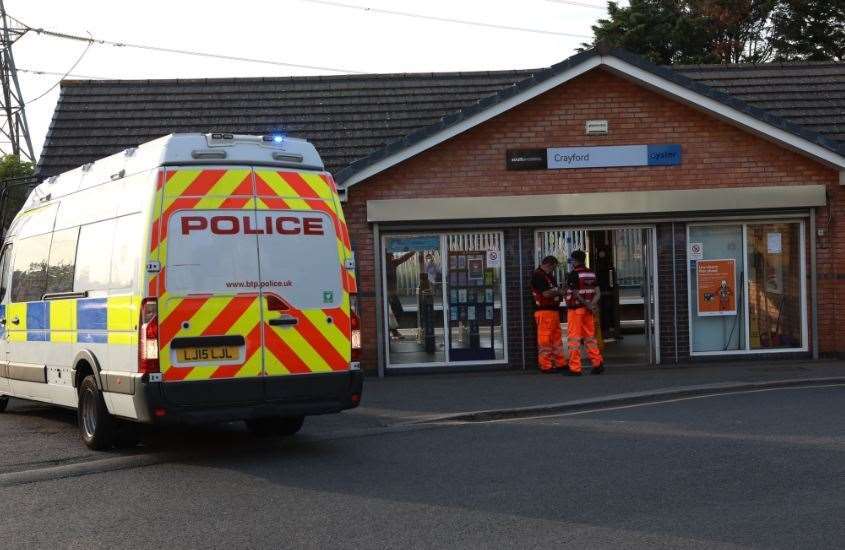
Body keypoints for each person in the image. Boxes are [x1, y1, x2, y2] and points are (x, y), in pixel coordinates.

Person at [564, 250, 604, 375]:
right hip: (588, 311)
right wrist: (591, 305)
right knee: (590, 338)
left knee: (574, 339)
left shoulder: (573, 274)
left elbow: (575, 293)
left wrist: (586, 304)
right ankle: (597, 363)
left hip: (576, 310)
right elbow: (598, 292)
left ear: (575, 260)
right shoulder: (591, 273)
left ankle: (575, 368)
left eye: (571, 260)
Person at [530, 255, 566, 373]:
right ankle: (546, 365)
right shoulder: (538, 275)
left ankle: (560, 363)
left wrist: (558, 293)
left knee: (556, 339)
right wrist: (559, 292)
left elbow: (552, 291)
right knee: (545, 340)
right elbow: (545, 294)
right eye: (553, 268)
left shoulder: (548, 276)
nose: (553, 270)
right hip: (544, 311)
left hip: (552, 310)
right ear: (548, 265)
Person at [385, 251, 415, 340]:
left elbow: (403, 258)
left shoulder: (393, 263)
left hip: (393, 294)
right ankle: (393, 331)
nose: (393, 255)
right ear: (386, 255)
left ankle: (393, 331)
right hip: (387, 294)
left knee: (398, 312)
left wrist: (414, 250)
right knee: (394, 312)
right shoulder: (383, 264)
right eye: (391, 254)